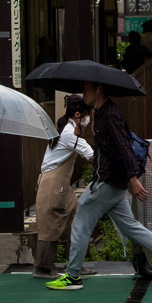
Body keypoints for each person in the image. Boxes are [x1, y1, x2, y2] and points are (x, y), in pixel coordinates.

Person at [47, 79, 152, 291]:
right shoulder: (102, 113)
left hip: (108, 181)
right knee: (131, 227)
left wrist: (133, 180)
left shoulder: (109, 115)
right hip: (114, 182)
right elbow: (109, 147)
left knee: (82, 218)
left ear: (99, 89)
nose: (84, 91)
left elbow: (125, 148)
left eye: (87, 88)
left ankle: (73, 275)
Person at [33, 94, 95, 279]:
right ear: (78, 115)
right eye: (86, 115)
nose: (88, 120)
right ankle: (43, 268)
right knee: (51, 224)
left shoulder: (67, 130)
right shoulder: (68, 133)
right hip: (54, 185)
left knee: (78, 219)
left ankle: (75, 263)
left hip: (61, 185)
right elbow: (90, 154)